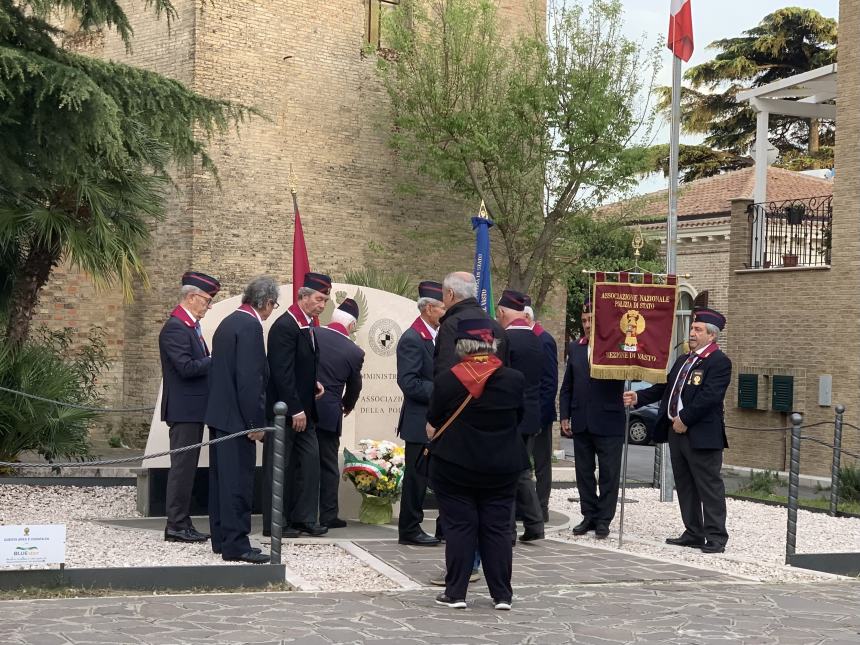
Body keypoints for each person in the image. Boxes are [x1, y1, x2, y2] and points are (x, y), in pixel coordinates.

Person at [427, 319, 529, 610]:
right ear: (491, 344)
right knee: (497, 529)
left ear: (461, 347)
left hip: (455, 465)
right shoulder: (514, 379)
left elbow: (434, 419)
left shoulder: (448, 379)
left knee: (460, 527)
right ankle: (502, 595)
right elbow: (519, 418)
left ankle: (456, 592)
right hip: (502, 466)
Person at [623, 307, 732, 554]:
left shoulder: (719, 362)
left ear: (711, 335)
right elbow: (665, 388)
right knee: (685, 484)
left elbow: (710, 397)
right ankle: (693, 532)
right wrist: (638, 396)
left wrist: (685, 418)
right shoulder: (684, 360)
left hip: (701, 434)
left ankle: (716, 536)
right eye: (692, 328)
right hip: (676, 431)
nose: (692, 333)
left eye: (697, 329)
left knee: (708, 486)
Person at [204, 275, 279, 564]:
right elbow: (250, 380)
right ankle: (236, 544)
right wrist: (255, 424)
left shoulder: (228, 322)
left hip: (220, 414)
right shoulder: (249, 326)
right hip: (238, 420)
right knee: (237, 482)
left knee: (221, 480)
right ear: (268, 303)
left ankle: (222, 537)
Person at [264, 272, 331, 538]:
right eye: (318, 299)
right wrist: (295, 408)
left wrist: (313, 383)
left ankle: (303, 517)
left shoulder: (306, 324)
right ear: (302, 297)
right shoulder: (285, 325)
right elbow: (281, 372)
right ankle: (276, 522)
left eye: (325, 300)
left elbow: (301, 365)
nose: (322, 305)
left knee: (310, 462)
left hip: (305, 409)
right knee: (281, 466)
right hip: (288, 411)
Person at [159, 271, 221, 544]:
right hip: (185, 410)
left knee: (187, 469)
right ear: (192, 297)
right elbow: (185, 368)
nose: (208, 306)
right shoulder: (176, 328)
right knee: (182, 470)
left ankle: (182, 521)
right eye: (207, 300)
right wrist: (216, 360)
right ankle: (175, 524)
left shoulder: (189, 327)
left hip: (193, 409)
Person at [559, 299, 625, 539]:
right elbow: (568, 385)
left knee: (608, 473)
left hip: (608, 420)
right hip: (582, 419)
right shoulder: (576, 348)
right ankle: (588, 514)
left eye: (592, 320)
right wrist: (564, 414)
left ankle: (604, 520)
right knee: (584, 472)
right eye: (584, 320)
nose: (587, 325)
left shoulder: (616, 347)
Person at [396, 281, 445, 546]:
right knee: (417, 479)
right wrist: (444, 389)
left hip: (437, 420)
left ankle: (443, 528)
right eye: (441, 307)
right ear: (427, 308)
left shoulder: (437, 335)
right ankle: (410, 529)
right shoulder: (413, 338)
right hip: (419, 421)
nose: (444, 312)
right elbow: (409, 382)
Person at [495, 289, 544, 543]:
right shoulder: (538, 339)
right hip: (531, 415)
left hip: (510, 415)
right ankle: (535, 524)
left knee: (508, 473)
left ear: (502, 312)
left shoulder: (504, 340)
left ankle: (509, 530)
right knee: (523, 471)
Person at [315, 298, 365, 529]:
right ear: (352, 325)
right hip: (329, 413)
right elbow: (355, 385)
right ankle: (328, 514)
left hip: (302, 409)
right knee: (327, 465)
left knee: (299, 464)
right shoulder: (354, 351)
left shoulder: (312, 334)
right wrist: (347, 404)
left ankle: (296, 513)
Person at [523, 295, 558, 523]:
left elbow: (549, 382)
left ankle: (541, 507)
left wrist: (542, 416)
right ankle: (527, 507)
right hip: (527, 414)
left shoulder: (544, 340)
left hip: (541, 414)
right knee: (524, 462)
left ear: (526, 317)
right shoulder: (526, 338)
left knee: (542, 464)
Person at [434, 271, 508, 375]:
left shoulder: (451, 325)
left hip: (460, 389)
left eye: (443, 294)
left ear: (450, 294)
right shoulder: (496, 326)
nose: (443, 300)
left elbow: (445, 372)